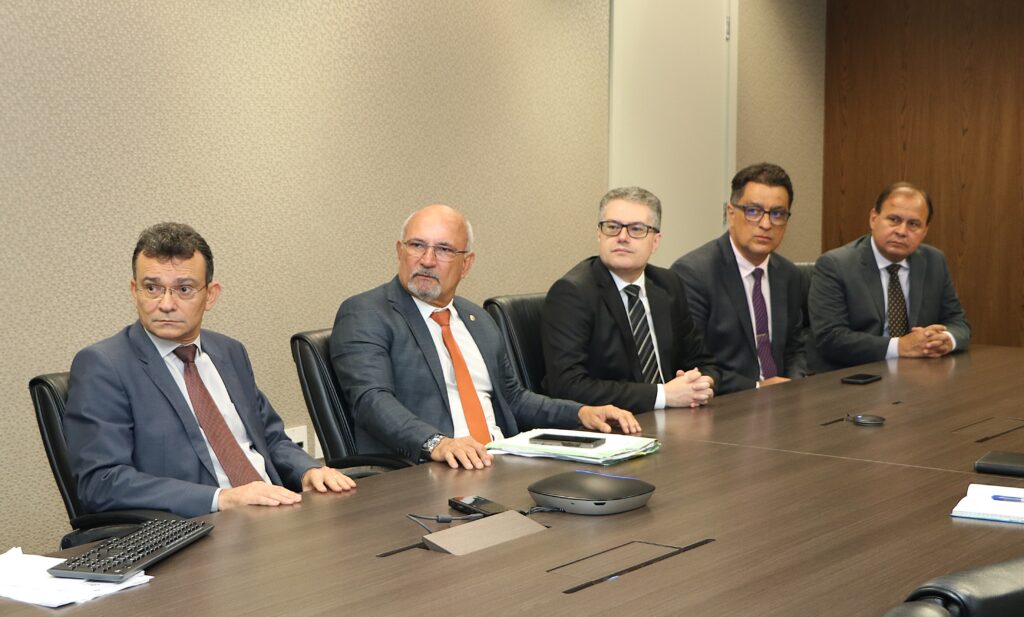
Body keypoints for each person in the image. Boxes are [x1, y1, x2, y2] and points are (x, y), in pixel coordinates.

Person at [64, 223, 355, 518]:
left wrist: (308, 470)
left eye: (184, 289)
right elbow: (101, 483)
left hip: (274, 513)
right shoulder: (103, 365)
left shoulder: (229, 352)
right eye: (152, 288)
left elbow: (270, 439)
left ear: (211, 295)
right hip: (198, 529)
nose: (165, 304)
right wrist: (222, 499)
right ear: (133, 291)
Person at [331, 204, 640, 470]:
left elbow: (515, 399)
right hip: (429, 470)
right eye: (416, 246)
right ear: (400, 251)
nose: (426, 259)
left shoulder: (476, 318)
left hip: (500, 462)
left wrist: (581, 411)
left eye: (443, 250)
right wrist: (435, 443)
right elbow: (371, 400)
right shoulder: (366, 313)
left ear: (466, 264)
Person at [541, 187, 719, 412]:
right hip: (612, 427)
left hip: (677, 418)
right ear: (599, 234)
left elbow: (703, 361)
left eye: (636, 229)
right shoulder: (572, 293)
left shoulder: (667, 283)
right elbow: (567, 386)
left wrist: (700, 383)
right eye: (612, 227)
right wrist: (664, 395)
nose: (622, 237)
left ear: (655, 241)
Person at [671, 163, 807, 393]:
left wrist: (793, 384)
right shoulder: (694, 274)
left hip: (783, 402)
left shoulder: (789, 275)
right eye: (753, 211)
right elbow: (692, 364)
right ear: (731, 214)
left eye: (777, 214)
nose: (766, 224)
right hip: (725, 405)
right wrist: (757, 386)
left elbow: (796, 348)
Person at [807, 182, 970, 372]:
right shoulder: (835, 265)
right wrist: (899, 346)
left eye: (913, 224)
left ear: (925, 231)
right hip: (854, 377)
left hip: (916, 377)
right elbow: (830, 338)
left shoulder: (934, 261)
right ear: (874, 219)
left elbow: (958, 322)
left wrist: (946, 340)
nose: (901, 231)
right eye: (894, 219)